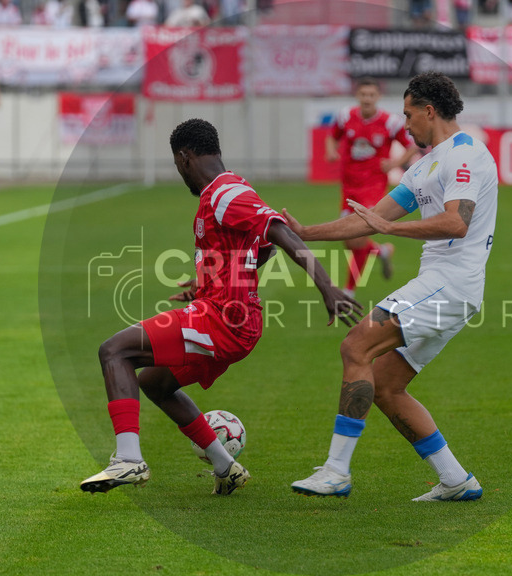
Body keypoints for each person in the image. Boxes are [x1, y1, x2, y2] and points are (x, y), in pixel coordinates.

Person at [80, 118, 361, 495]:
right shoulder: (229, 190)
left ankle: (129, 460)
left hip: (224, 319)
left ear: (184, 158)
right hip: (229, 316)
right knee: (155, 383)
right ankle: (225, 466)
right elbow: (262, 248)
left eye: (177, 165)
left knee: (114, 351)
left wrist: (327, 287)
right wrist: (206, 280)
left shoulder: (224, 193)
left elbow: (281, 232)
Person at [287, 72, 497, 501]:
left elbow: (458, 221)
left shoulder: (465, 154)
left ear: (429, 111)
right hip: (441, 285)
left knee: (354, 347)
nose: (404, 125)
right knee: (385, 385)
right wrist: (303, 231)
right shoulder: (423, 165)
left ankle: (336, 471)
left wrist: (390, 230)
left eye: (408, 114)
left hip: (452, 283)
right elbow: (367, 218)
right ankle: (456, 480)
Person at [326, 77, 418, 298]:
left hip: (373, 188)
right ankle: (381, 251)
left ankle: (348, 291)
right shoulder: (345, 116)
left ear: (378, 97)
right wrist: (331, 151)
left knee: (356, 237)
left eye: (371, 95)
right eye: (363, 94)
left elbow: (412, 145)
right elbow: (332, 136)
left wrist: (395, 163)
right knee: (349, 241)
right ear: (358, 95)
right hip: (349, 187)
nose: (367, 99)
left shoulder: (390, 122)